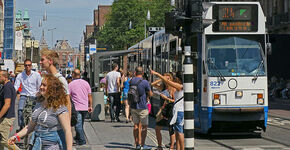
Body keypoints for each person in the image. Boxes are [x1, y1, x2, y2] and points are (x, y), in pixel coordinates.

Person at [8, 74, 73, 150]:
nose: (41, 87)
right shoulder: (38, 104)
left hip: (52, 146)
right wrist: (16, 136)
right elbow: (30, 126)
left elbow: (67, 131)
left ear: (52, 88)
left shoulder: (59, 107)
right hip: (37, 144)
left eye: (44, 85)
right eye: (41, 84)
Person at [39, 48, 71, 149]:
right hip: (45, 126)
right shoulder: (46, 78)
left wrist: (67, 128)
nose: (40, 62)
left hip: (58, 128)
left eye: (42, 60)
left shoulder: (60, 80)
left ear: (50, 61)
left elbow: (67, 103)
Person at [151, 70, 184, 150]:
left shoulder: (179, 86)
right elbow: (153, 84)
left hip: (177, 111)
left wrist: (158, 74)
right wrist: (162, 78)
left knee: (179, 132)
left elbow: (167, 82)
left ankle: (179, 148)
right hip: (174, 111)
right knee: (176, 131)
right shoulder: (178, 86)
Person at [14, 59, 42, 131]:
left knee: (35, 113)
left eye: (29, 65)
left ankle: (34, 128)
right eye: (26, 65)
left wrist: (39, 94)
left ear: (31, 66)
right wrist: (14, 92)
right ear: (24, 66)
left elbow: (40, 86)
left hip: (34, 95)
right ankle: (21, 126)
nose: (27, 67)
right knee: (20, 110)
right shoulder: (20, 75)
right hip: (24, 95)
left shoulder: (36, 75)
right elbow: (16, 86)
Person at [130, 67, 153, 150]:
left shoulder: (131, 80)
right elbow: (150, 94)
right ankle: (143, 145)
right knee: (144, 127)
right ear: (142, 73)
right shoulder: (145, 82)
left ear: (135, 72)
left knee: (135, 125)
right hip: (143, 107)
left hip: (133, 106)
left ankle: (137, 144)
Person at [69, 69, 93, 145]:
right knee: (81, 124)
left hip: (76, 107)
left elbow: (68, 97)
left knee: (78, 125)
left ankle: (82, 141)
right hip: (85, 107)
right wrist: (90, 106)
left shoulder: (71, 84)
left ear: (73, 74)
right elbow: (90, 96)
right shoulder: (86, 83)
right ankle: (78, 137)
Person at [0, 70, 20, 150]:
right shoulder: (7, 86)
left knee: (4, 141)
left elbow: (7, 104)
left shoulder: (7, 87)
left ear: (5, 77)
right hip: (6, 117)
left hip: (6, 117)